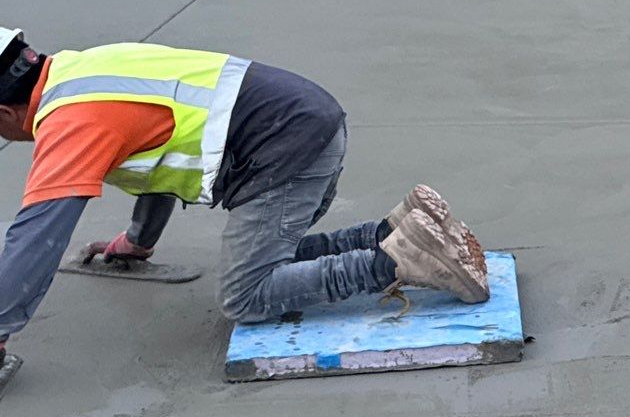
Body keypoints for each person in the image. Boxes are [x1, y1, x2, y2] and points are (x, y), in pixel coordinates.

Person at [0, 26, 489, 384]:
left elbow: (37, 235)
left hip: (285, 154)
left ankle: (398, 261)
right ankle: (390, 231)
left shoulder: (69, 122)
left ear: (4, 111)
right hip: (308, 124)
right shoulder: (83, 70)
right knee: (270, 264)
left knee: (247, 295)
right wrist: (138, 241)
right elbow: (151, 153)